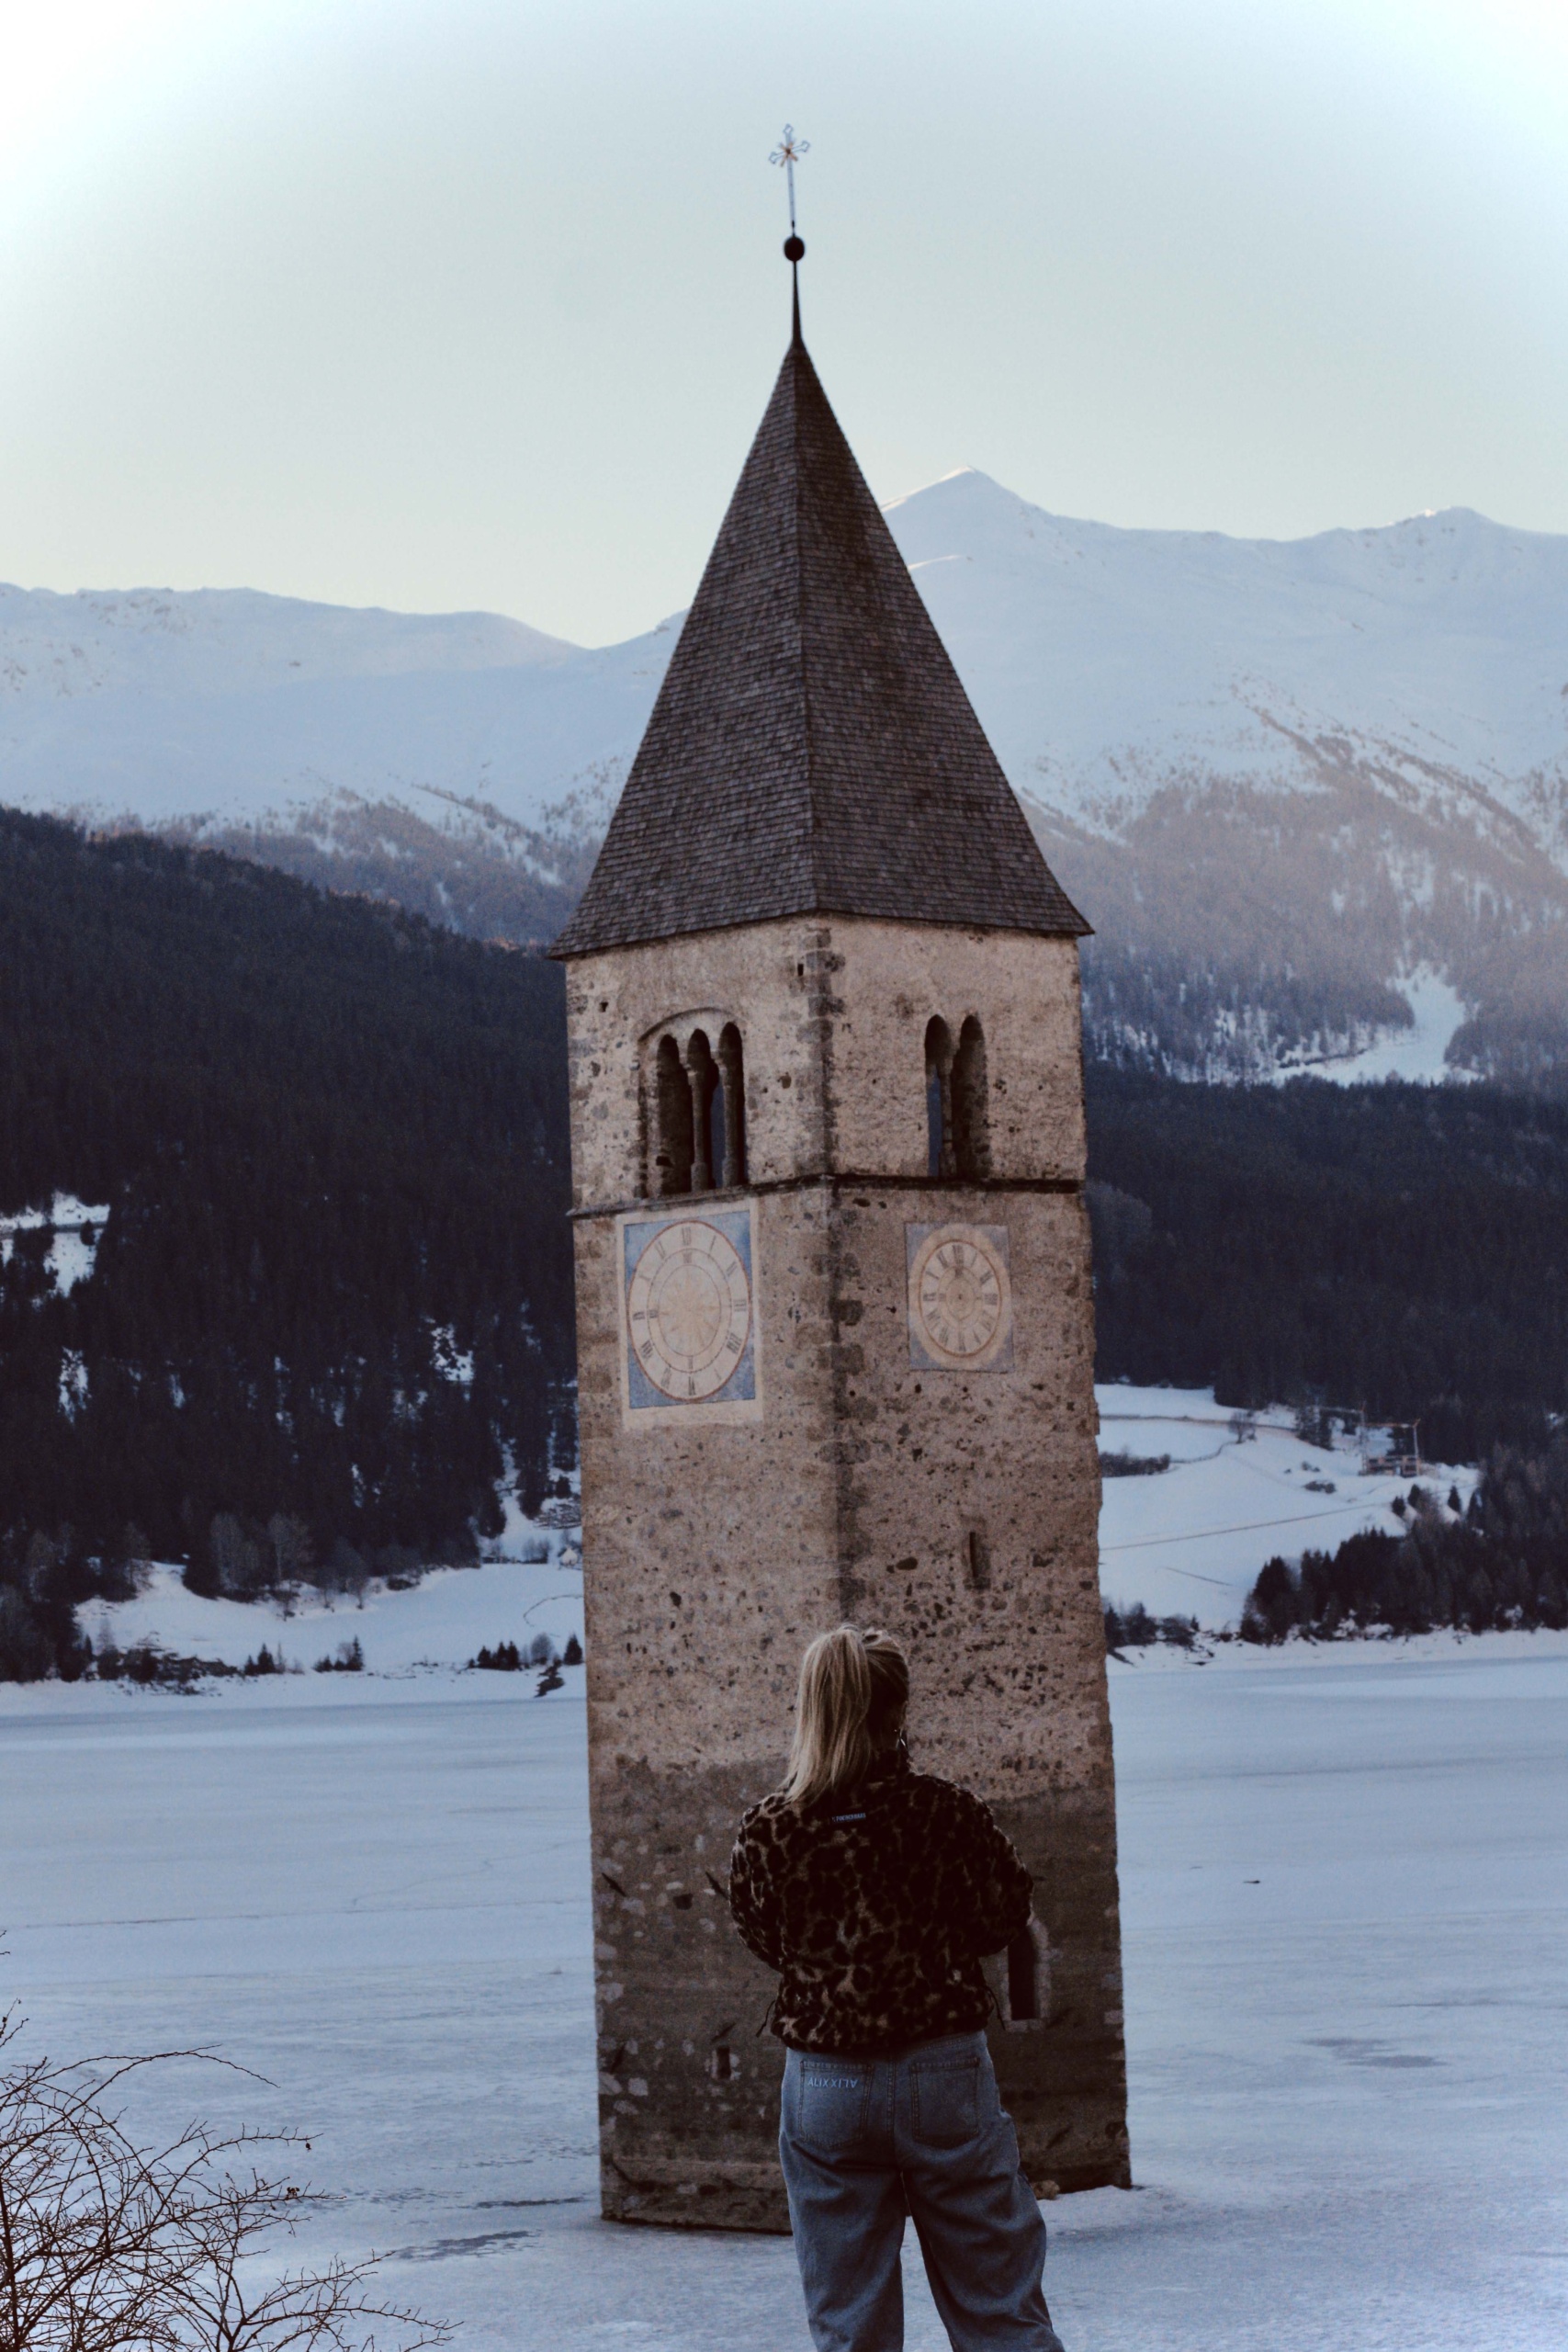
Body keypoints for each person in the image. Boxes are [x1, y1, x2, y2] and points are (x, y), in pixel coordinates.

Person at [729, 1624, 1067, 2352]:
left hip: (826, 2086)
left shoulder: (767, 1830)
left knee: (849, 2322)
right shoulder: (945, 1812)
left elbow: (765, 1941)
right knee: (998, 2308)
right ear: (898, 1713)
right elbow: (1003, 1914)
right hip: (940, 2069)